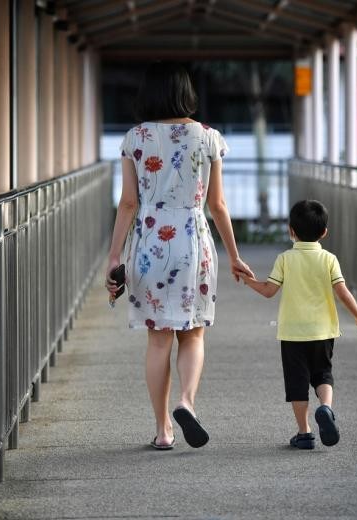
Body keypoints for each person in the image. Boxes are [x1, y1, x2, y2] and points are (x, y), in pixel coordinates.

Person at [105, 62, 253, 450]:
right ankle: (186, 401)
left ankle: (162, 430)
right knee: (193, 333)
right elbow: (217, 204)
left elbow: (128, 203)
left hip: (149, 243)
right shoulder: (208, 137)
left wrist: (114, 257)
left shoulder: (135, 138)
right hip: (193, 242)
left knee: (159, 340)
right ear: (187, 93)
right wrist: (234, 255)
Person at [239, 200, 357, 450]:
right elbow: (342, 292)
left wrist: (248, 280)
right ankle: (326, 408)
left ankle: (304, 433)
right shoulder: (329, 259)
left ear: (291, 230)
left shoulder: (285, 259)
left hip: (293, 333)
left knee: (297, 383)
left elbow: (268, 290)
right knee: (323, 374)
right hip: (323, 331)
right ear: (324, 233)